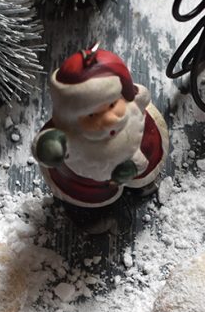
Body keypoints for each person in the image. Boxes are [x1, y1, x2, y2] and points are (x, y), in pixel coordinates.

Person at [33, 45, 168, 208]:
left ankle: (141, 183)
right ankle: (91, 212)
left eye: (112, 105)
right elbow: (48, 144)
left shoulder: (133, 110)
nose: (109, 119)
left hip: (141, 150)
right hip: (85, 178)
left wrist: (131, 168)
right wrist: (48, 148)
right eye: (92, 115)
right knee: (88, 193)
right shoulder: (69, 136)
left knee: (146, 160)